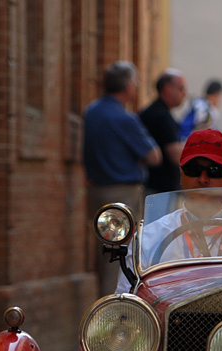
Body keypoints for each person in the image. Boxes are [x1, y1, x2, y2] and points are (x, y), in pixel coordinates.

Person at [116, 130, 222, 293]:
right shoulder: (149, 238)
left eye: (215, 171)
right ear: (181, 175)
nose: (203, 179)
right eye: (193, 170)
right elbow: (126, 304)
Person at [83, 60, 162, 296]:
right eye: (135, 83)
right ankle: (113, 308)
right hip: (122, 193)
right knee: (122, 257)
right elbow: (154, 156)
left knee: (104, 254)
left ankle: (107, 302)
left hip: (96, 190)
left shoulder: (92, 112)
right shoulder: (124, 117)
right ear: (127, 86)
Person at [139, 68, 187, 196]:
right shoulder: (161, 116)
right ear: (167, 88)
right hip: (158, 192)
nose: (184, 94)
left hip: (155, 189)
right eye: (181, 89)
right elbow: (176, 155)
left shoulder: (152, 112)